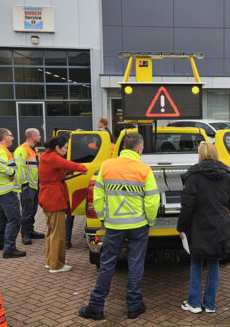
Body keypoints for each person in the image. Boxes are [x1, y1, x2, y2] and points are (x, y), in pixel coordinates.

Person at [79, 133, 160, 320]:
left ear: (122, 148)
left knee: (107, 264)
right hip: (138, 225)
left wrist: (103, 217)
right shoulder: (144, 170)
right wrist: (150, 220)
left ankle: (96, 307)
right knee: (136, 264)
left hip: (113, 224)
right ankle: (134, 306)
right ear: (140, 149)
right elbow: (152, 200)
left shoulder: (106, 166)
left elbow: (97, 197)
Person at [177, 142, 230, 314]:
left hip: (199, 225)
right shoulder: (226, 175)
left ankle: (194, 303)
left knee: (196, 262)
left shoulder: (194, 176)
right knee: (214, 264)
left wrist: (181, 227)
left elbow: (187, 205)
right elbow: (229, 201)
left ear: (200, 155)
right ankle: (210, 304)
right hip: (220, 224)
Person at [38, 136, 87, 273]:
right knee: (58, 234)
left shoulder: (46, 155)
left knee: (51, 232)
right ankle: (56, 265)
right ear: (57, 147)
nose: (66, 150)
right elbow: (69, 164)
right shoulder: (53, 157)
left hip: (47, 197)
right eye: (65, 148)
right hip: (54, 198)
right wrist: (83, 168)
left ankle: (51, 261)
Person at [0, 128, 26, 258]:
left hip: (2, 190)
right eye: (11, 136)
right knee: (15, 219)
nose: (13, 138)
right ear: (5, 136)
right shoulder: (0, 150)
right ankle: (9, 249)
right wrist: (10, 172)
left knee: (3, 217)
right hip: (7, 191)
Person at [14, 128, 45, 245]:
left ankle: (30, 230)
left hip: (35, 185)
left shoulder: (34, 149)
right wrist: (24, 184)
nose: (40, 137)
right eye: (39, 135)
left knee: (33, 210)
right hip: (27, 186)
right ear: (33, 137)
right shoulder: (21, 150)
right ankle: (25, 234)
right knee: (27, 211)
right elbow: (20, 167)